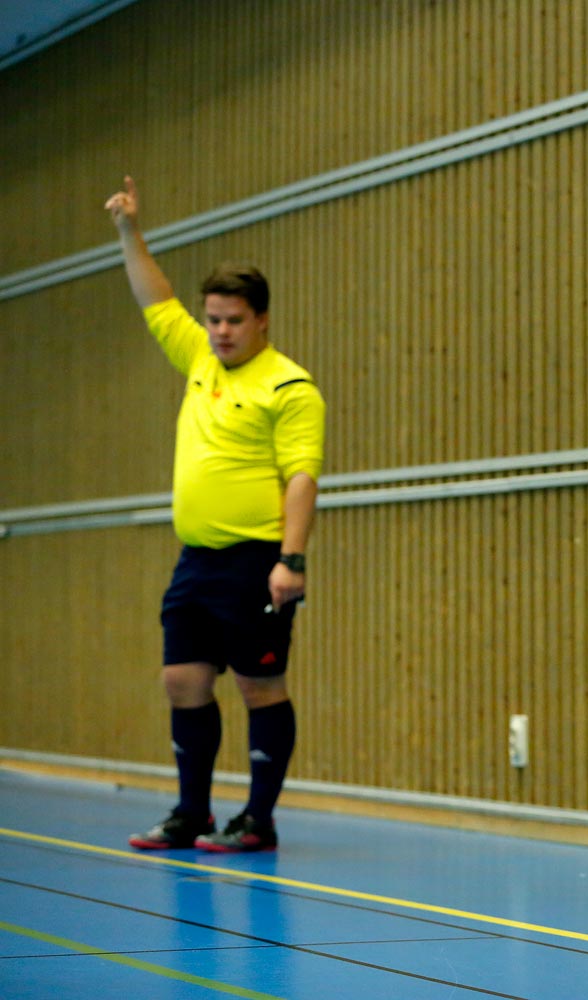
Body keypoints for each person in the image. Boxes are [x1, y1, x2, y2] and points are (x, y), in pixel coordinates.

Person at [106, 176, 326, 853]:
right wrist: (127, 231)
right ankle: (191, 811)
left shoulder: (288, 385)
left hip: (256, 559)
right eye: (214, 320)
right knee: (182, 680)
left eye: (233, 320)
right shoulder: (200, 359)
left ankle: (257, 818)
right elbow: (154, 297)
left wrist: (290, 560)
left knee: (260, 685)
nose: (221, 331)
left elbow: (301, 476)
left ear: (261, 319)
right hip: (196, 559)